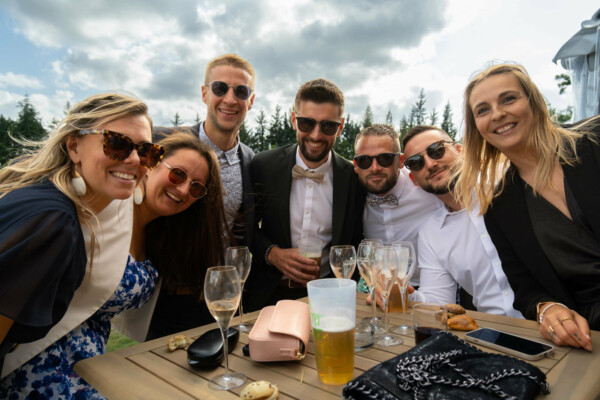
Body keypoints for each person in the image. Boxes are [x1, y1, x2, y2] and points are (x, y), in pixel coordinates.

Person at [0, 93, 163, 397]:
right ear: (74, 146)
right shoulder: (53, 221)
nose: (134, 160)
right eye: (116, 143)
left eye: (146, 150)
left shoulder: (54, 198)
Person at [456, 62, 599, 351]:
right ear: (477, 129)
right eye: (482, 110)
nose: (497, 114)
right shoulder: (498, 205)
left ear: (534, 102)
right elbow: (526, 288)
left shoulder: (594, 143)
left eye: (508, 99)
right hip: (589, 334)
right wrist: (548, 308)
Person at [245, 78, 365, 311]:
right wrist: (272, 254)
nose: (316, 135)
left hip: (330, 298)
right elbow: (245, 227)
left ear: (340, 127)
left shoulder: (353, 177)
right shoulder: (263, 165)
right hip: (268, 295)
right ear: (293, 120)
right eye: (306, 123)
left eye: (328, 126)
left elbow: (358, 241)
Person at [401, 125, 522, 318]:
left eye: (437, 150)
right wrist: (406, 295)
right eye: (416, 162)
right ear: (414, 179)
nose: (431, 164)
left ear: (460, 151)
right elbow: (438, 302)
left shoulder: (509, 186)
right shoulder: (431, 234)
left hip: (560, 321)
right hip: (495, 333)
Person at [153, 54, 255, 247]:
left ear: (251, 101)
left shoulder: (250, 160)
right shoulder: (162, 143)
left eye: (241, 92)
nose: (230, 100)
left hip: (226, 275)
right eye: (220, 88)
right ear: (204, 94)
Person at [141, 133, 232, 339]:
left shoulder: (176, 227)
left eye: (196, 187)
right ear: (151, 164)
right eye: (177, 174)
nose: (183, 190)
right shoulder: (112, 214)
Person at [353, 124, 442, 288]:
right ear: (356, 165)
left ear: (401, 161)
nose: (375, 168)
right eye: (365, 160)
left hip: (431, 288)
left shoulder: (425, 184)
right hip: (381, 289)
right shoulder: (353, 193)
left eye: (384, 158)